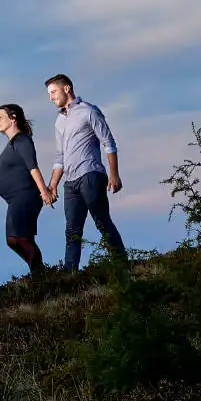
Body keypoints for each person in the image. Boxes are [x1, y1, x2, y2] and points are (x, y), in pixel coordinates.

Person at [42, 74, 127, 270]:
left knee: (102, 222)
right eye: (49, 94)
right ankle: (69, 276)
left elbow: (109, 142)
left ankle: (122, 264)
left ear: (67, 88)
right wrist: (52, 185)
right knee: (72, 230)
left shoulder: (89, 111)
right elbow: (59, 157)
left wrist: (114, 174)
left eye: (53, 92)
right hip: (70, 183)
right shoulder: (59, 122)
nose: (51, 98)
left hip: (91, 175)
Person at [0, 103, 48, 274]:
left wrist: (44, 191)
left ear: (13, 118)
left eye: (1, 117)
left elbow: (33, 167)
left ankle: (39, 274)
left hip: (25, 196)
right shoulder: (12, 143)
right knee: (13, 240)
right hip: (14, 199)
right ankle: (38, 271)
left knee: (21, 238)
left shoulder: (22, 140)